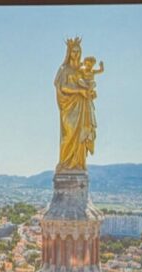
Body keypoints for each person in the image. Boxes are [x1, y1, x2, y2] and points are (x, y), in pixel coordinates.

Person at [54, 37, 99, 172]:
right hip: (69, 107)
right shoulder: (64, 69)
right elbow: (62, 87)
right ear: (69, 53)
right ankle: (65, 164)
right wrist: (79, 90)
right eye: (73, 51)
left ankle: (78, 164)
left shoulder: (81, 69)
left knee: (80, 136)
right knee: (68, 135)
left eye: (78, 51)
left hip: (82, 105)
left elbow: (87, 82)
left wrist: (90, 93)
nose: (76, 54)